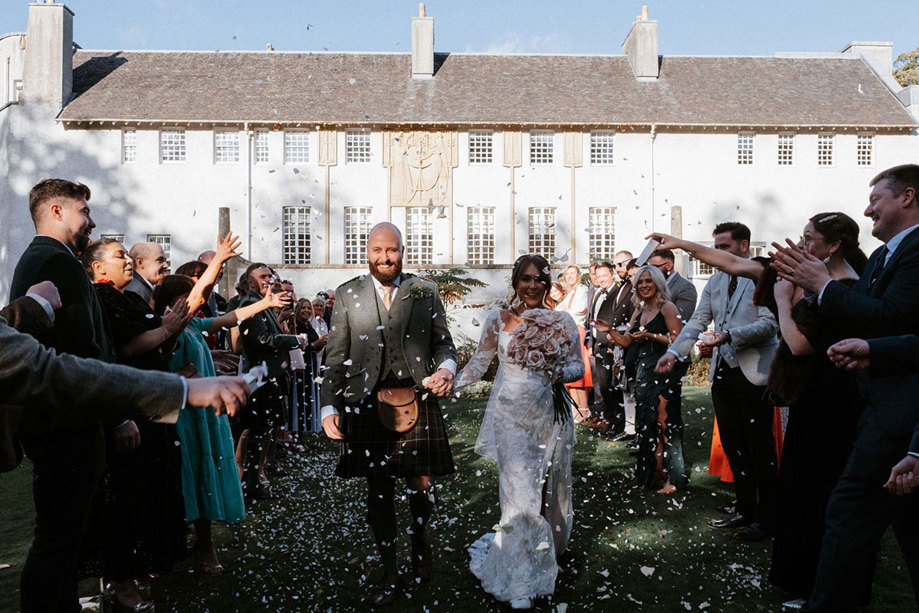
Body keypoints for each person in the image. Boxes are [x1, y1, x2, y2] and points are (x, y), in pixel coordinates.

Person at [651, 212, 869, 597]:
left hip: (807, 388)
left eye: (809, 239)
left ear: (834, 246)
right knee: (740, 447)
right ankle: (748, 511)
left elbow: (791, 338)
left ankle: (775, 525)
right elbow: (708, 302)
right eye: (800, 239)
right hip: (755, 378)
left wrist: (776, 306)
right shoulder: (734, 280)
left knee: (771, 454)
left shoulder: (837, 287)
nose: (801, 246)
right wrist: (682, 245)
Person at [770, 164, 919, 612]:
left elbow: (894, 315)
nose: (868, 208)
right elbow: (881, 321)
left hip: (900, 411)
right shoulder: (883, 257)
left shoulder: (914, 252)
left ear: (908, 197)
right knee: (865, 517)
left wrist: (823, 287)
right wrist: (867, 349)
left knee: (849, 512)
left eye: (877, 199)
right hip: (879, 408)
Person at [320, 222, 456, 606]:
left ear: (402, 250)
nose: (385, 258)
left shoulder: (424, 291)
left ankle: (419, 542)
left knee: (420, 484)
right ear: (367, 251)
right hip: (366, 404)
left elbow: (444, 343)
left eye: (391, 250)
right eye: (377, 250)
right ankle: (389, 567)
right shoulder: (348, 294)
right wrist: (329, 407)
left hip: (418, 396)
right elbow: (336, 357)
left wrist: (446, 369)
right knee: (378, 490)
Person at [8, 178, 121, 613]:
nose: (91, 222)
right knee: (59, 538)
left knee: (64, 536)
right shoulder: (57, 262)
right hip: (66, 420)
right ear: (56, 211)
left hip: (55, 416)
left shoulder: (40, 259)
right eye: (83, 211)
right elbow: (82, 348)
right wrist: (115, 416)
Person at [454, 254, 582, 609]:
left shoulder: (563, 321)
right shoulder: (498, 319)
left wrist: (556, 372)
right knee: (518, 495)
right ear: (515, 282)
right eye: (524, 279)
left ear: (547, 282)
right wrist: (450, 383)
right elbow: (479, 363)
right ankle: (520, 581)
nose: (531, 286)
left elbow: (576, 366)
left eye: (538, 279)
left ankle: (544, 558)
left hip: (547, 415)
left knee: (544, 491)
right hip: (509, 416)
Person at [80, 238, 192, 611]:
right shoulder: (104, 298)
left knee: (152, 489)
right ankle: (118, 580)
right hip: (132, 408)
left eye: (128, 255)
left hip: (151, 405)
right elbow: (127, 348)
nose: (127, 261)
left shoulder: (128, 298)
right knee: (126, 497)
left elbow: (158, 344)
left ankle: (139, 567)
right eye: (119, 256)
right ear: (97, 268)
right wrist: (166, 328)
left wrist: (170, 329)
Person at [154, 266, 286, 575]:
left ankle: (204, 544)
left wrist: (264, 304)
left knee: (203, 474)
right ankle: (172, 544)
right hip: (178, 416)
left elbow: (228, 320)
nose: (198, 301)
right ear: (173, 301)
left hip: (202, 415)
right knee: (182, 476)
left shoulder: (194, 325)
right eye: (188, 297)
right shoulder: (165, 330)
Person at [655, 222, 779, 541]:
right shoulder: (715, 281)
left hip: (755, 372)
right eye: (716, 247)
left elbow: (770, 325)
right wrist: (675, 352)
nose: (717, 253)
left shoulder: (760, 277)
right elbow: (698, 320)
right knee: (735, 445)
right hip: (723, 371)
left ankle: (768, 519)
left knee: (759, 446)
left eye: (723, 247)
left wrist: (730, 335)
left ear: (743, 246)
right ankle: (744, 509)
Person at [597, 266, 686, 493]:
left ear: (658, 283)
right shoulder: (639, 309)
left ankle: (674, 478)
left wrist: (650, 335)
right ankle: (651, 474)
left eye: (649, 281)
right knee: (647, 424)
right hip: (643, 372)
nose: (644, 285)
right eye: (640, 282)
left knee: (665, 424)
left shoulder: (668, 307)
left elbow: (678, 341)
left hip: (665, 371)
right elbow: (627, 341)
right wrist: (610, 332)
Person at [236, 263, 303, 500]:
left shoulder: (263, 304)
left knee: (265, 431)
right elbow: (261, 339)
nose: (269, 279)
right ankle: (250, 483)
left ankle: (255, 480)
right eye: (263, 276)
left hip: (269, 376)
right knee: (257, 431)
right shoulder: (250, 305)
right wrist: (293, 339)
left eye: (269, 275)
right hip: (259, 378)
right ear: (250, 282)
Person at [585, 261, 631, 440]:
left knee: (614, 389)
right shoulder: (597, 293)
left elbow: (619, 322)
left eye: (605, 275)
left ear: (612, 275)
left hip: (611, 347)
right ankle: (611, 422)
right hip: (598, 346)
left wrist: (614, 346)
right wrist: (590, 343)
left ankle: (619, 425)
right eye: (599, 276)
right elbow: (592, 319)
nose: (601, 279)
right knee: (604, 388)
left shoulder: (618, 293)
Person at [554, 265, 592, 420]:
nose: (569, 276)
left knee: (579, 373)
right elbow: (558, 310)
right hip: (568, 333)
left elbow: (579, 309)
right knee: (570, 372)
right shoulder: (570, 292)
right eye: (566, 274)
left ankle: (584, 410)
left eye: (572, 273)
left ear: (578, 275)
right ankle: (576, 410)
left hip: (577, 330)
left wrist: (561, 315)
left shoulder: (582, 290)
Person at [647, 249, 698, 323]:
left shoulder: (685, 287)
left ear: (669, 265)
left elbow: (680, 320)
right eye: (649, 268)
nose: (651, 272)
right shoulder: (653, 285)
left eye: (655, 267)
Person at [125, 242, 170, 306]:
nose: (166, 265)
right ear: (140, 262)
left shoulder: (140, 287)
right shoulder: (138, 291)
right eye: (160, 260)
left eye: (165, 260)